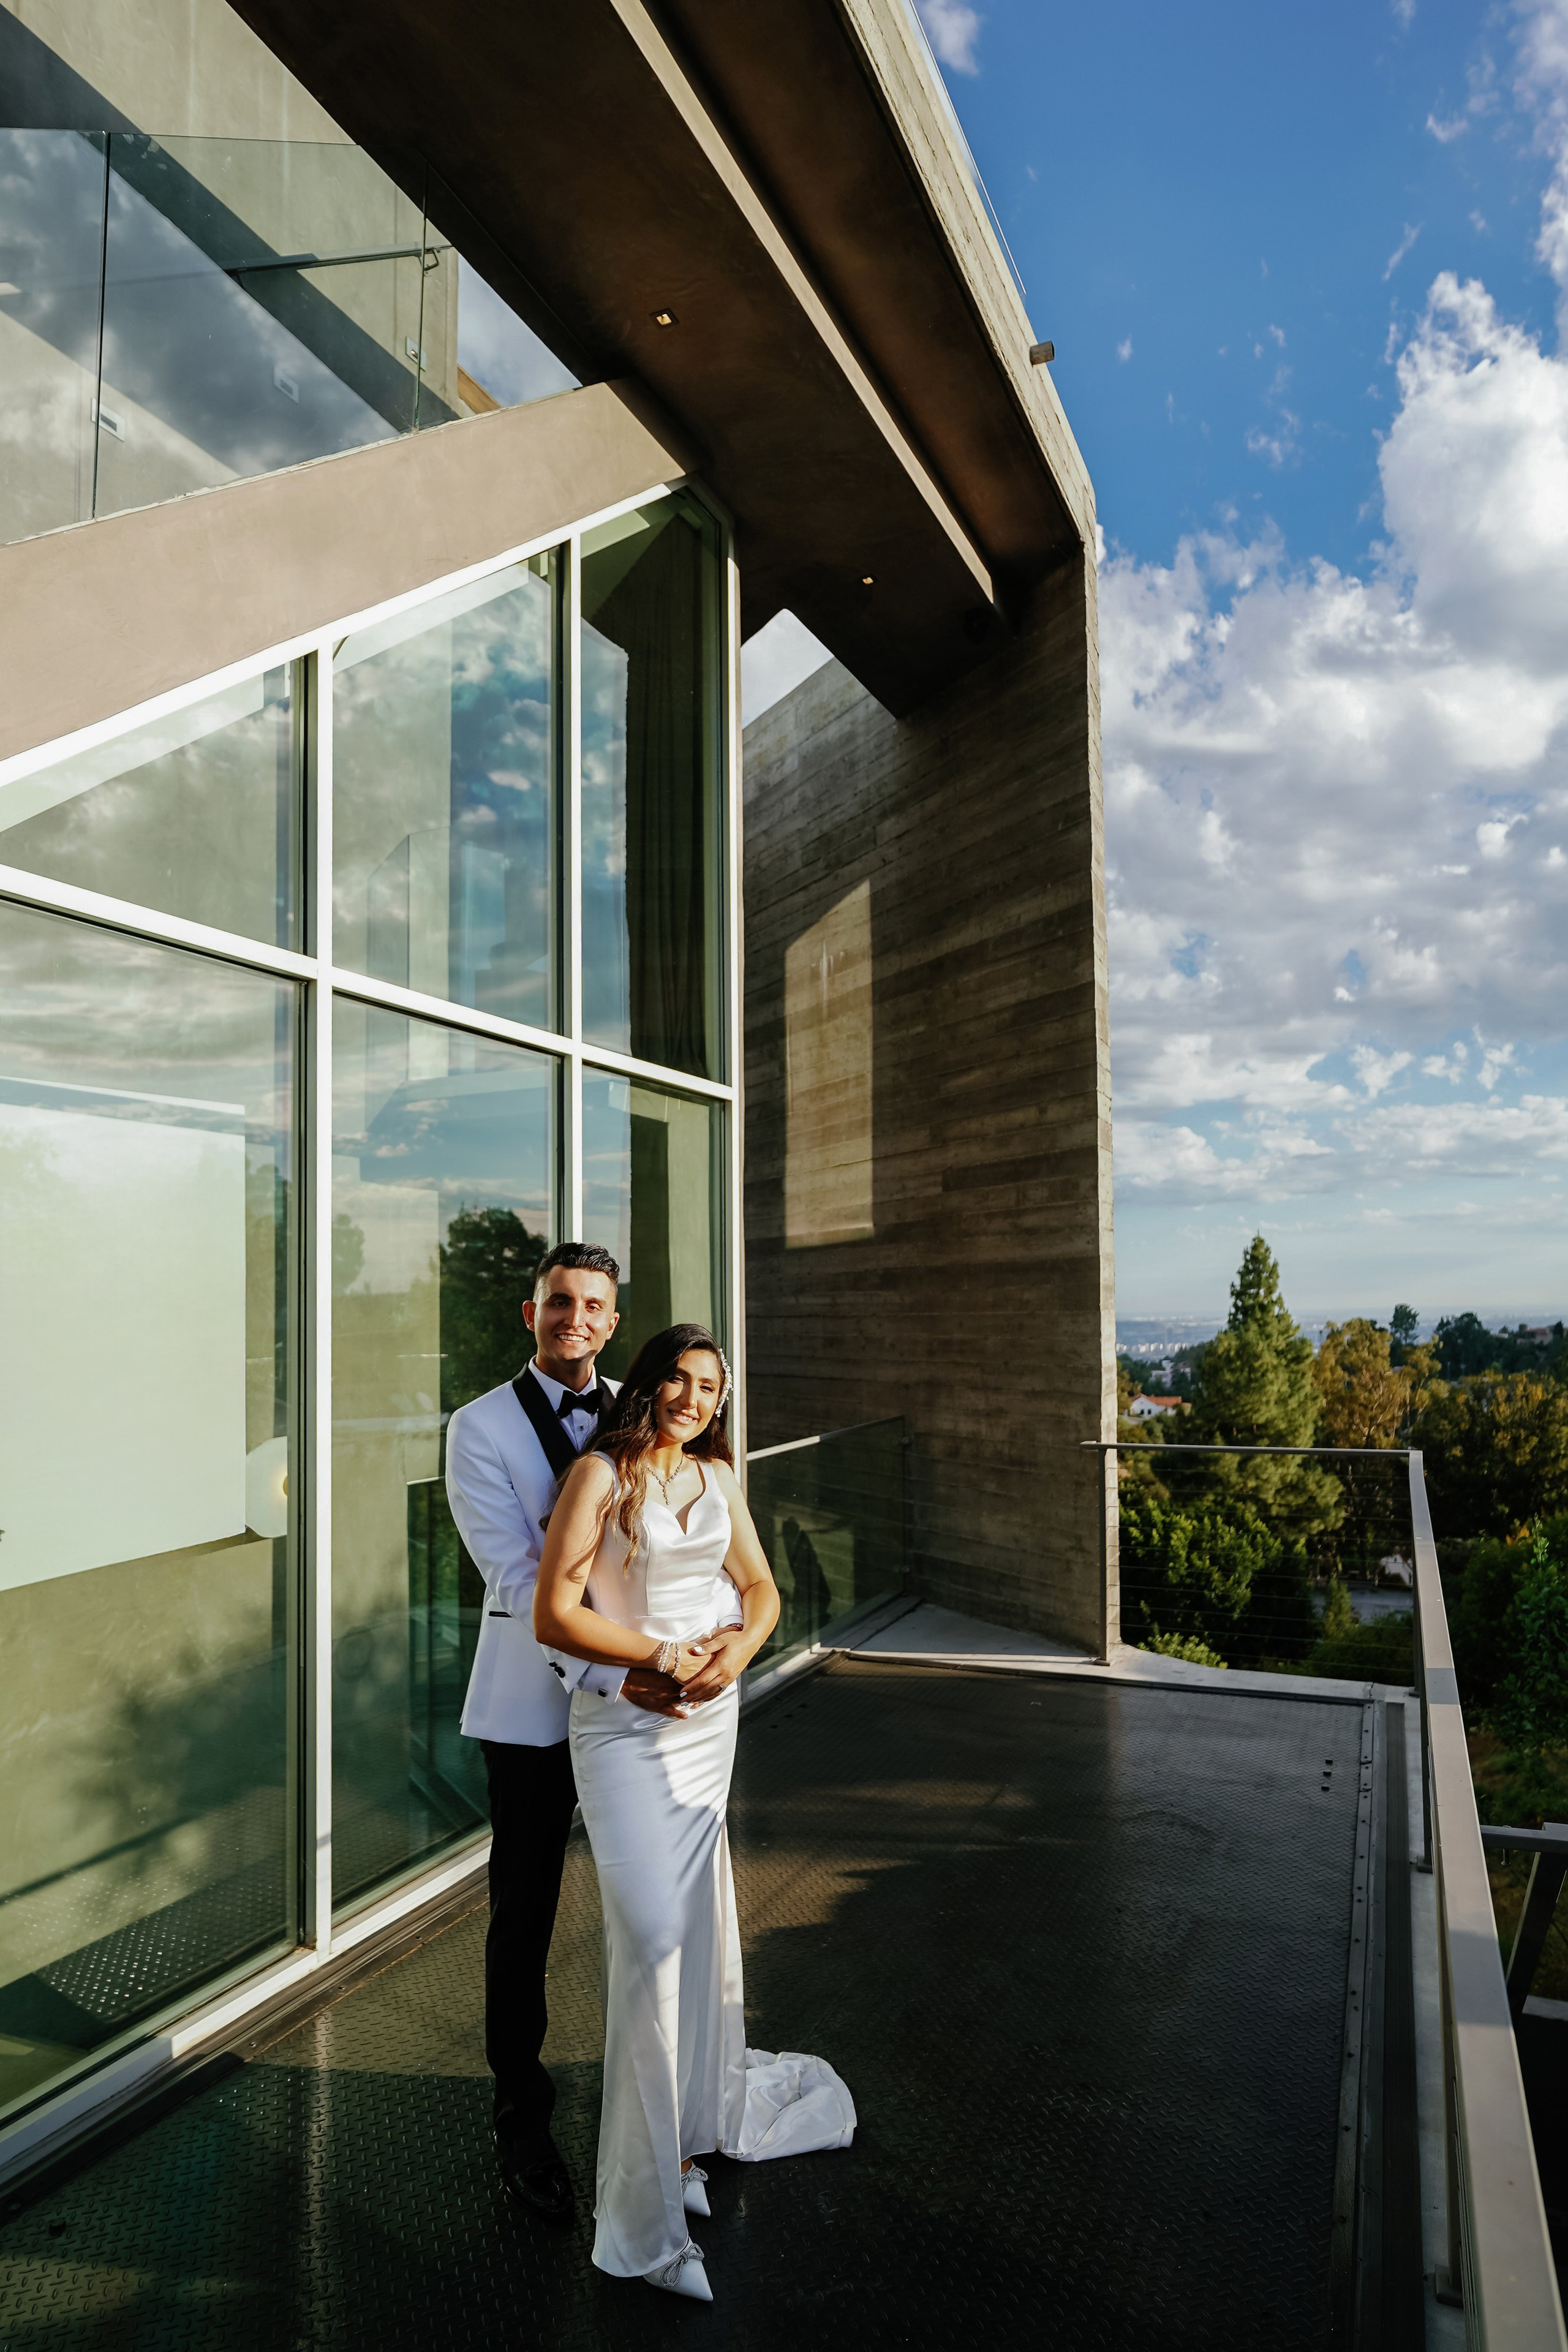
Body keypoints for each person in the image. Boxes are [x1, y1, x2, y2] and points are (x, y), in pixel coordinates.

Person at [534, 1322, 855, 2302]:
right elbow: (556, 1610)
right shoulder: (600, 1476)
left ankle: (678, 2155)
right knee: (654, 1943)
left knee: (700, 1928)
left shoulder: (718, 1481)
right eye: (677, 1378)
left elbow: (762, 1590)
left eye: (709, 1386)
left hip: (707, 1730)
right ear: (649, 1383)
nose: (692, 1397)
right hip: (627, 1733)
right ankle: (636, 2225)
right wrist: (661, 1658)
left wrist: (733, 1656)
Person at [445, 1243, 718, 2222]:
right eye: (560, 1302)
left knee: (651, 1913)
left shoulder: (638, 1415)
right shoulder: (476, 1427)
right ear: (532, 1314)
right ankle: (522, 2124)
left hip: (645, 1716)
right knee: (523, 1920)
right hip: (535, 1711)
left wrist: (704, 1648)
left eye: (594, 1307)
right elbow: (518, 1581)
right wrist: (629, 1668)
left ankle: (660, 2108)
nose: (576, 1319)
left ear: (612, 1322)